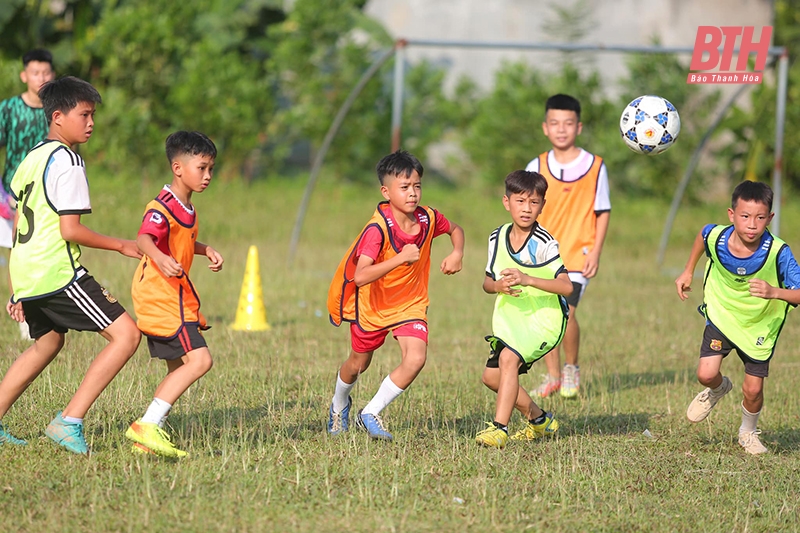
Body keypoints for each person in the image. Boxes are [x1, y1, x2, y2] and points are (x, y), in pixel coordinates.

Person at [0, 76, 142, 454]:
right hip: (57, 272)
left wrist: (17, 285)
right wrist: (121, 245)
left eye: (93, 115)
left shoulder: (32, 157)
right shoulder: (68, 161)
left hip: (29, 272)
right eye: (85, 114)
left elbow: (17, 223)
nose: (91, 123)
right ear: (58, 116)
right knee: (127, 335)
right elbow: (70, 229)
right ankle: (68, 421)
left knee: (47, 343)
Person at [326, 150, 464, 441]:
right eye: (404, 187)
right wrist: (401, 258)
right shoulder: (377, 230)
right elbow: (361, 275)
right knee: (358, 365)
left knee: (416, 358)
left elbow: (455, 229)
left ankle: (371, 412)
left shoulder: (428, 218)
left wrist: (457, 252)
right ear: (386, 191)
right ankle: (339, 405)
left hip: (410, 305)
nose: (412, 193)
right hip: (373, 307)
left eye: (417, 186)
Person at [675, 180, 800, 455]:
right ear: (732, 215)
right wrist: (687, 271)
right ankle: (719, 389)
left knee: (753, 390)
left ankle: (748, 433)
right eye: (745, 216)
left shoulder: (779, 252)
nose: (752, 224)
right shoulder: (717, 237)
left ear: (770, 218)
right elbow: (702, 235)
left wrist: (774, 291)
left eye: (759, 218)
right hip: (722, 315)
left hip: (759, 325)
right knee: (705, 375)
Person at [125, 131, 223, 458]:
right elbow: (144, 239)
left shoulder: (187, 207)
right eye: (202, 168)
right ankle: (146, 424)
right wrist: (159, 257)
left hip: (170, 295)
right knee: (200, 360)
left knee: (178, 364)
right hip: (162, 296)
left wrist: (204, 249)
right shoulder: (162, 205)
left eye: (211, 169)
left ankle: (148, 438)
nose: (208, 176)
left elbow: (177, 240)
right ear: (178, 168)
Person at [475, 170, 572, 448]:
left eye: (534, 202)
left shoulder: (544, 243)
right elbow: (486, 282)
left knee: (508, 361)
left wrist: (527, 278)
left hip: (544, 319)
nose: (527, 209)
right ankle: (541, 421)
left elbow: (566, 287)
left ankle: (499, 429)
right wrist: (498, 287)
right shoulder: (497, 237)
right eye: (520, 201)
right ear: (507, 202)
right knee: (491, 377)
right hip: (512, 317)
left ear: (542, 205)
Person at [524, 93, 610, 399]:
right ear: (545, 128)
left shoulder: (596, 166)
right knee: (548, 315)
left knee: (566, 312)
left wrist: (596, 252)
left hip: (578, 256)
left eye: (568, 123)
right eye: (555, 123)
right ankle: (553, 376)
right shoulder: (536, 164)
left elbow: (602, 212)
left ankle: (571, 369)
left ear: (579, 127)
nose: (562, 129)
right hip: (543, 256)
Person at [0, 49, 55, 249]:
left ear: (53, 75)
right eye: (35, 72)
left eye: (46, 72)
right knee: (16, 251)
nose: (41, 78)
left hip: (48, 193)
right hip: (11, 194)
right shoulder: (9, 109)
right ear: (24, 76)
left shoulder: (59, 111)